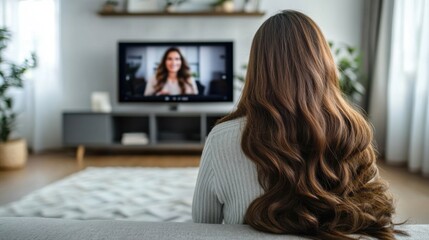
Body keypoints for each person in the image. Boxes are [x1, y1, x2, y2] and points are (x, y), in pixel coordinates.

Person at [192, 10, 405, 240]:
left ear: (258, 70)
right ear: (321, 63)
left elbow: (204, 223)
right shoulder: (352, 129)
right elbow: (374, 212)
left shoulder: (222, 137)